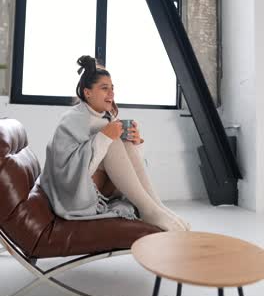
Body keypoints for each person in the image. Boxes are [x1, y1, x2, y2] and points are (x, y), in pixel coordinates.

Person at [39, 55, 190, 232]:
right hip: (69, 196)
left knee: (121, 141)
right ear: (87, 92)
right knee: (113, 141)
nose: (111, 94)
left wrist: (136, 142)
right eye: (104, 88)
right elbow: (67, 173)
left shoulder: (104, 117)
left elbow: (127, 167)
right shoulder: (73, 120)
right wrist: (105, 137)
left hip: (96, 186)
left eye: (112, 88)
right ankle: (149, 210)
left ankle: (156, 206)